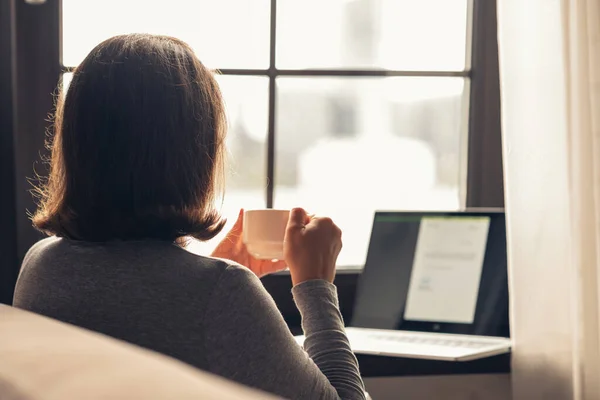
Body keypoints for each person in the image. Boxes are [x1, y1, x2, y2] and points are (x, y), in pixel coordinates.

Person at [12, 34, 365, 399]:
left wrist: (214, 272)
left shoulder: (40, 265)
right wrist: (315, 285)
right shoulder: (225, 293)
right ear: (195, 155)